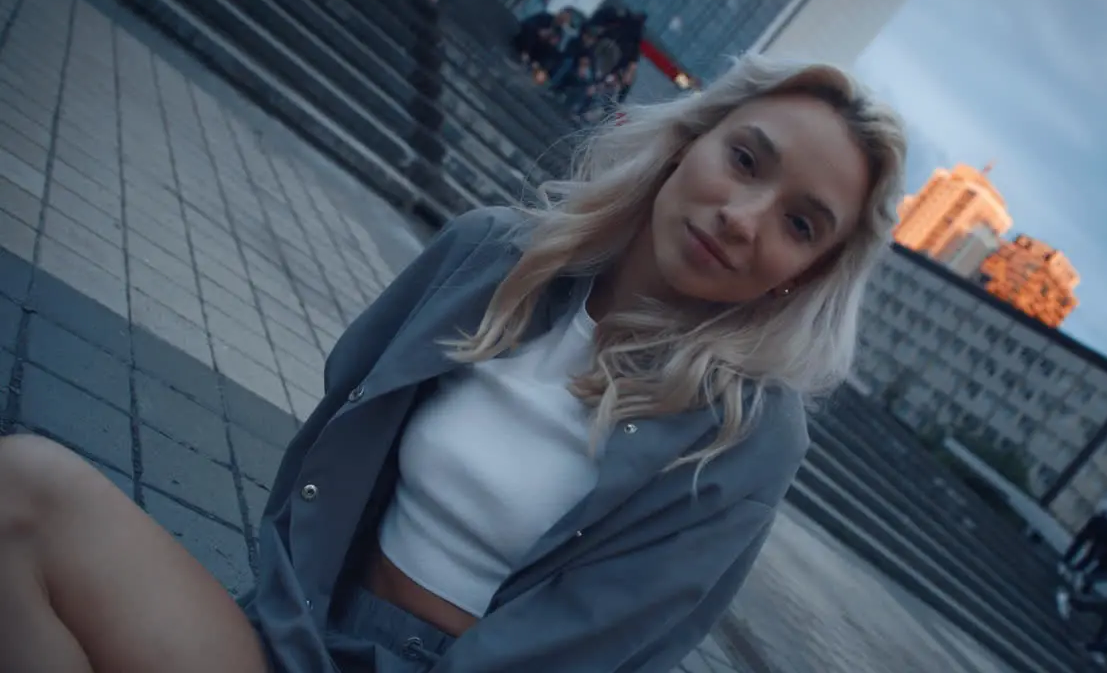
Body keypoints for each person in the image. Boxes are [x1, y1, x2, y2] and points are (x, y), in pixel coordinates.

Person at [0, 54, 907, 672]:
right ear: (686, 144)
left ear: (808, 275)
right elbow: (330, 451)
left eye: (800, 224)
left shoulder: (746, 434)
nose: (744, 217)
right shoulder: (490, 257)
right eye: (745, 159)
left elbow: (598, 647)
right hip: (300, 636)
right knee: (23, 490)